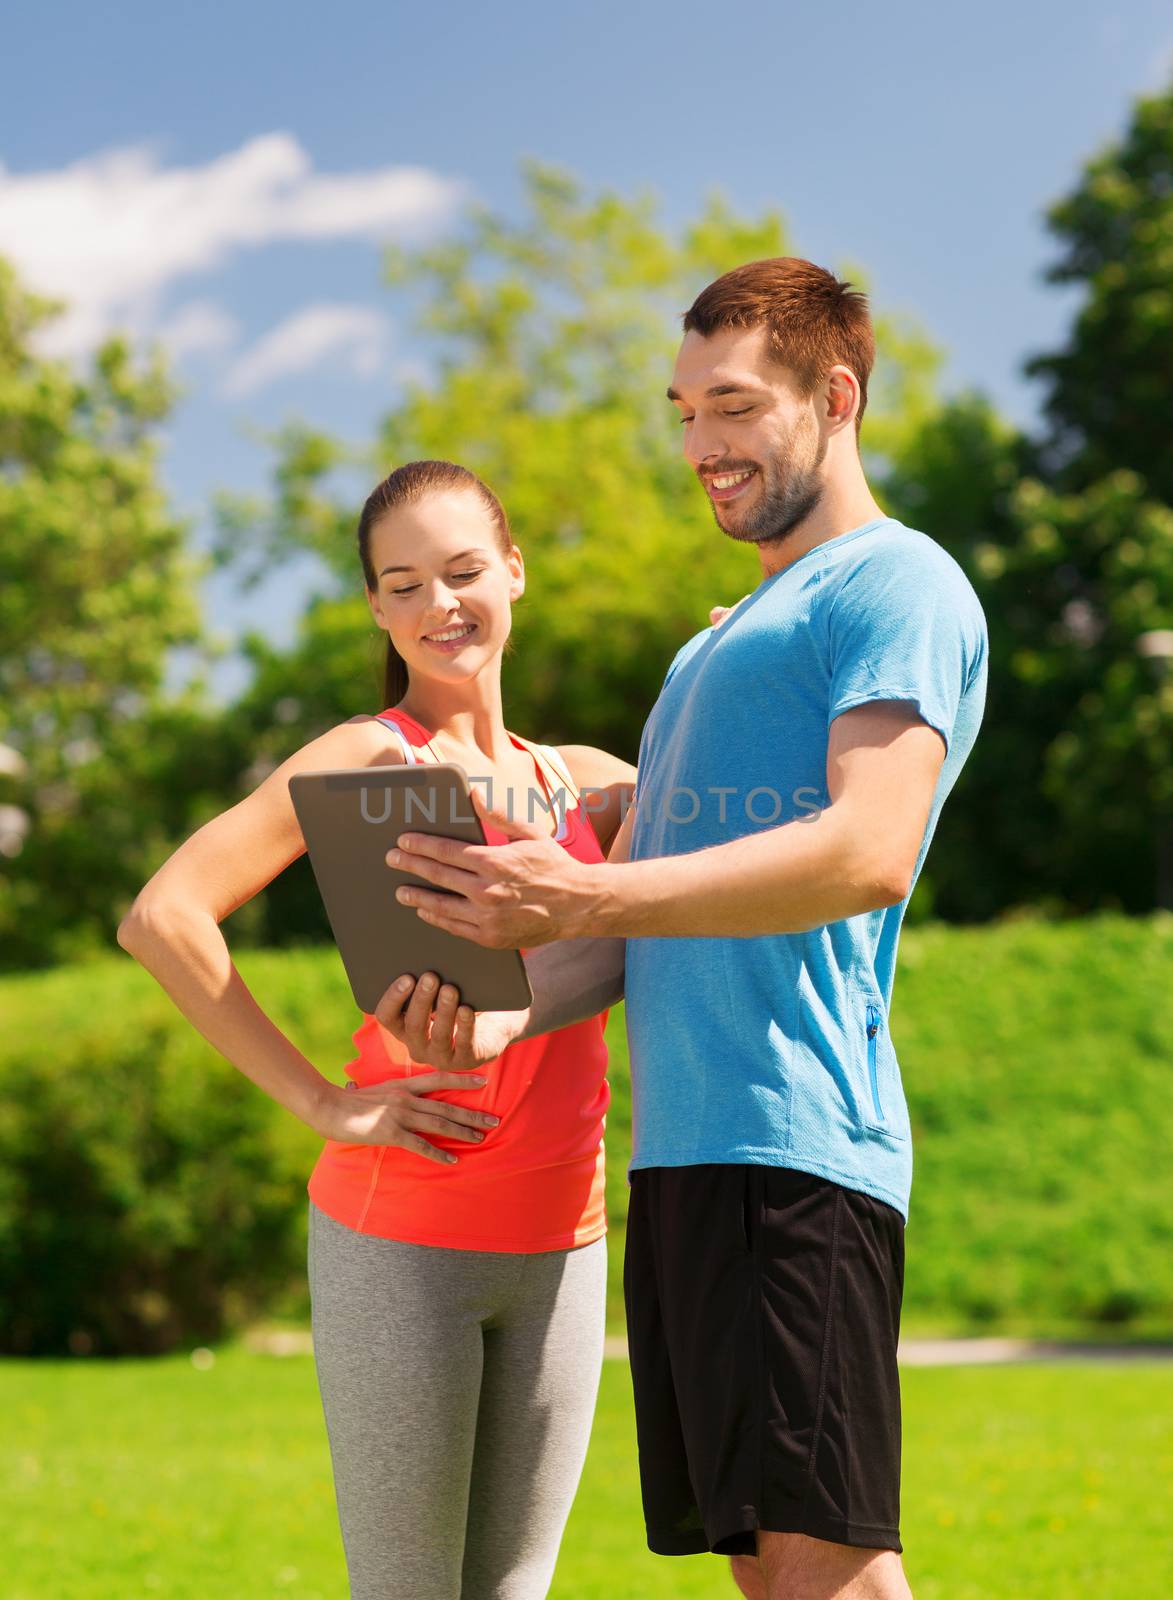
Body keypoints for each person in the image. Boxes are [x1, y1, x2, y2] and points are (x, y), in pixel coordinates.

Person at [374, 258, 989, 1600]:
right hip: (691, 1160)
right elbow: (645, 923)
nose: (701, 447)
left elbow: (868, 849)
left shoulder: (897, 585)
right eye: (683, 411)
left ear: (835, 397)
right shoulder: (709, 649)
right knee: (775, 1576)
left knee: (831, 1573)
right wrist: (491, 1004)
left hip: (793, 1142)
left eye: (732, 406)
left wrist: (583, 889)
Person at [116, 457, 639, 1600]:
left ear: (514, 569)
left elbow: (726, 883)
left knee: (514, 1592)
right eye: (402, 585)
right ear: (375, 609)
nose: (437, 605)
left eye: (461, 572)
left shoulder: (595, 784)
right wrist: (321, 1099)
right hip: (403, 1229)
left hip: (567, 1235)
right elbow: (164, 915)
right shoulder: (372, 759)